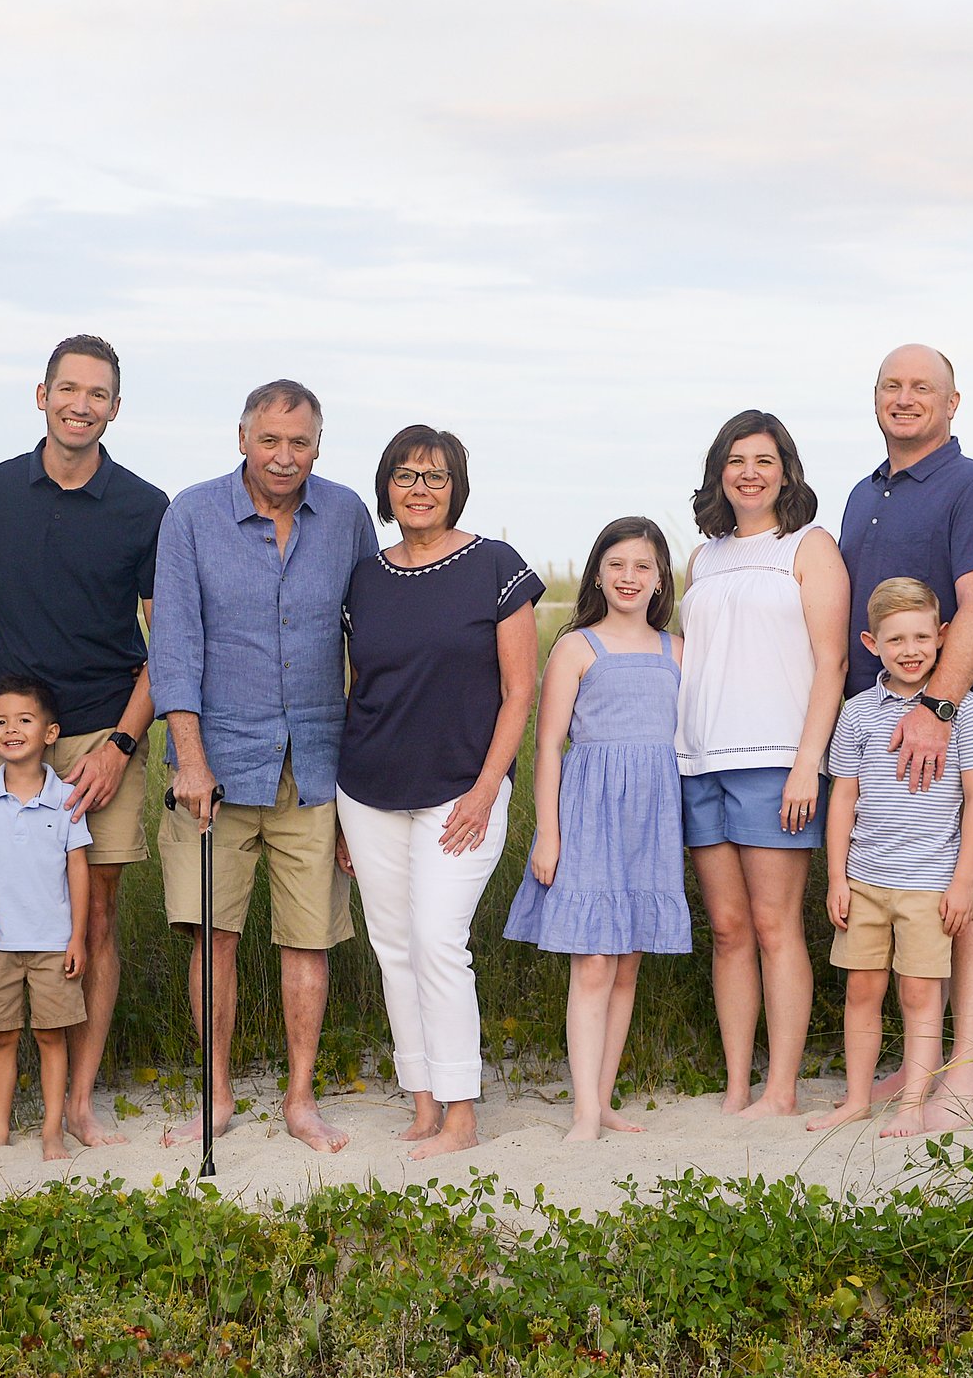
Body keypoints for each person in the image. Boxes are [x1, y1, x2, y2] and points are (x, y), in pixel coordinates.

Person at [150, 379, 377, 1155]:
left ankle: (301, 1100)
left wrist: (362, 778)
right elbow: (174, 643)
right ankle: (215, 1098)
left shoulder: (347, 515)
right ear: (242, 437)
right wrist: (189, 759)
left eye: (301, 442)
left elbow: (368, 640)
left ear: (320, 443)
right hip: (213, 767)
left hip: (315, 763)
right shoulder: (190, 514)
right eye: (270, 440)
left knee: (307, 941)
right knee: (212, 938)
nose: (285, 457)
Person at [0, 334, 168, 1151]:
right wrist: (12, 695)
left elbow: (170, 639)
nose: (81, 404)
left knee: (99, 915)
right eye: (68, 388)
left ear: (116, 408)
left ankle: (78, 1102)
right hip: (7, 733)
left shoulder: (146, 506)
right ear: (40, 395)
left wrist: (120, 742)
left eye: (98, 393)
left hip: (103, 733)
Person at [335, 426, 543, 1161]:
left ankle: (461, 1114)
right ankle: (422, 1103)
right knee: (393, 947)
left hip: (463, 791)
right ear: (386, 486)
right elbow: (358, 687)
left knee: (438, 941)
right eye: (404, 475)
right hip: (366, 790)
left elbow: (521, 691)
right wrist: (339, 813)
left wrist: (489, 788)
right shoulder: (364, 577)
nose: (419, 488)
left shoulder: (496, 565)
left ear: (456, 485)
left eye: (434, 475)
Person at [836, 346, 973, 1129]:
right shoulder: (860, 493)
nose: (904, 398)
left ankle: (965, 1078)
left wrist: (938, 710)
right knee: (900, 913)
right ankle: (917, 1068)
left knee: (964, 905)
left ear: (953, 403)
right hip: (875, 737)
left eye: (922, 388)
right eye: (891, 385)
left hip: (940, 737)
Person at [673, 410, 848, 1117]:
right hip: (700, 760)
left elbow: (832, 662)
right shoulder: (702, 557)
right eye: (736, 459)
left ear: (786, 472)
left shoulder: (809, 547)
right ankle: (739, 1083)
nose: (749, 471)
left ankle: (782, 1089)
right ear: (720, 471)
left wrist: (809, 764)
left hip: (778, 761)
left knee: (776, 927)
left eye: (764, 460)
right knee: (727, 928)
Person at [506, 518, 693, 1143]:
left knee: (629, 962)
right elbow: (549, 746)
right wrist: (549, 834)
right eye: (616, 564)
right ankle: (585, 1111)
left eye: (643, 566)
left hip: (652, 817)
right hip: (588, 815)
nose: (629, 577)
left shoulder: (677, 650)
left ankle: (605, 1099)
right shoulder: (577, 646)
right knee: (592, 962)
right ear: (597, 573)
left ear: (661, 577)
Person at [809, 579, 973, 1139]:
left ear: (942, 637)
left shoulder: (961, 711)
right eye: (896, 639)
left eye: (921, 636)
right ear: (871, 643)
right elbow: (843, 795)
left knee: (918, 994)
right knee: (862, 991)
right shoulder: (859, 713)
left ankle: (914, 1102)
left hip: (928, 882)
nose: (910, 649)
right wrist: (836, 878)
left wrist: (963, 883)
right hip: (865, 879)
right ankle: (858, 1100)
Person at [0, 674, 92, 1161]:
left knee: (52, 1035)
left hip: (53, 942)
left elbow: (78, 868)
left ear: (49, 733)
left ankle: (53, 1130)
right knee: (1, 1036)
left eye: (24, 720)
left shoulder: (66, 798)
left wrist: (78, 937)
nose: (10, 729)